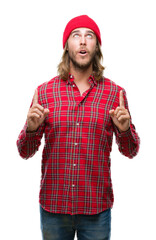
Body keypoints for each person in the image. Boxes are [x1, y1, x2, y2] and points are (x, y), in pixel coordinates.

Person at [17, 15, 140, 240]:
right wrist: (32, 129)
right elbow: (24, 151)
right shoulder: (44, 93)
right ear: (67, 46)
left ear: (96, 46)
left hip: (96, 208)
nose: (83, 41)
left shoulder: (115, 94)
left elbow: (131, 151)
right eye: (76, 36)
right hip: (54, 207)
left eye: (89, 36)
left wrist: (124, 130)